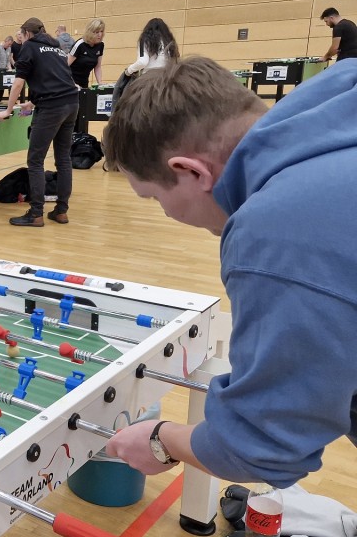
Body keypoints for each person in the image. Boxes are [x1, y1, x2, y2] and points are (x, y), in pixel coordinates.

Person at [103, 56, 357, 488]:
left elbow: (265, 448)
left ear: (191, 171)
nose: (166, 213)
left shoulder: (275, 231)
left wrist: (164, 440)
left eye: (154, 198)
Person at [0, 18, 78, 227]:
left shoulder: (29, 47)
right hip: (72, 103)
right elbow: (56, 78)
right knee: (64, 159)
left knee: (35, 160)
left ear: (27, 33)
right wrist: (32, 102)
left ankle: (36, 213)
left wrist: (8, 110)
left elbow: (18, 83)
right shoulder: (56, 47)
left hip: (52, 108)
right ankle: (61, 211)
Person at [113, 17, 180, 107]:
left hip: (149, 82)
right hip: (167, 81)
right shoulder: (170, 42)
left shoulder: (145, 40)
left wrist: (128, 70)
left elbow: (142, 62)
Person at [68, 19, 105, 88]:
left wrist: (100, 83)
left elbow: (98, 66)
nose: (100, 35)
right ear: (90, 32)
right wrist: (72, 83)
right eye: (97, 32)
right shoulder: (79, 44)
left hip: (84, 82)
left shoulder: (101, 45)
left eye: (101, 31)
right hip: (70, 82)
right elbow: (64, 66)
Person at [0, 36, 15, 102]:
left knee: (2, 88)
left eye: (10, 44)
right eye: (9, 44)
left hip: (3, 71)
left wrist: (10, 69)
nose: (9, 46)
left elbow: (8, 61)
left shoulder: (9, 49)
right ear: (5, 41)